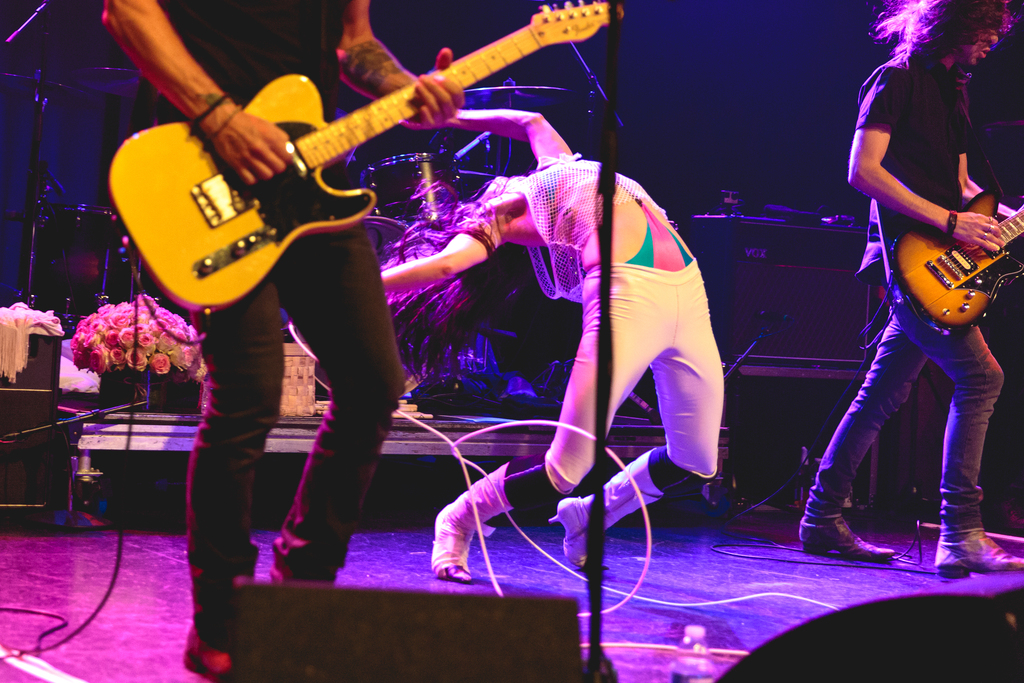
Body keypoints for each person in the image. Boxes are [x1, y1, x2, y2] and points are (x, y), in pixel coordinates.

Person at [102, 0, 463, 678]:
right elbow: (126, 11)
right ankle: (222, 619)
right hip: (199, 163)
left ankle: (300, 594)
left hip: (306, 175)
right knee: (249, 392)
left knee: (375, 381)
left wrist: (405, 91)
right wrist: (220, 117)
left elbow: (354, 43)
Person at [381, 109, 725, 583]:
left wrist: (450, 115)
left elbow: (531, 121)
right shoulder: (494, 218)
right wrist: (366, 285)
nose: (494, 180)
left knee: (696, 462)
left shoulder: (553, 172)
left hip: (689, 289)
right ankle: (458, 518)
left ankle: (590, 516)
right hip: (626, 297)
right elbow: (443, 268)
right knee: (566, 468)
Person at [798, 0, 1022, 578]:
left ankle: (822, 517)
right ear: (957, 24)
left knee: (881, 395)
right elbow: (862, 171)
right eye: (986, 31)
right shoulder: (895, 80)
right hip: (910, 259)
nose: (992, 42)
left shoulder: (954, 90)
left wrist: (994, 220)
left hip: (939, 260)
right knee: (982, 376)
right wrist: (950, 224)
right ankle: (960, 534)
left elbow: (962, 182)